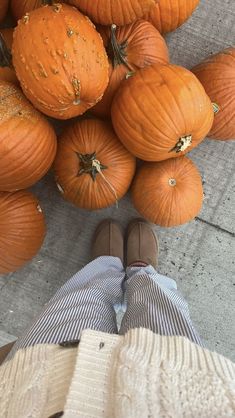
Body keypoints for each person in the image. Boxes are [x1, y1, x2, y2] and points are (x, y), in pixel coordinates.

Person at [0, 219, 234, 418]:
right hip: (180, 400)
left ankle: (105, 269)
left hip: (39, 397)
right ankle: (142, 272)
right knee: (160, 311)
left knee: (78, 307)